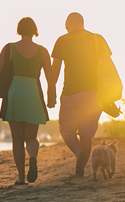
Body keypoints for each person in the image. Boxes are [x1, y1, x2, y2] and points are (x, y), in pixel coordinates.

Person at [48, 12, 113, 177]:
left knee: (66, 129)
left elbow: (54, 71)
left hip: (71, 93)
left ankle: (79, 155)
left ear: (69, 24)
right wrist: (109, 95)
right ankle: (82, 163)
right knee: (86, 133)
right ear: (82, 23)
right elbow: (108, 67)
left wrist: (51, 92)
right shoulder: (97, 39)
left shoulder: (62, 40)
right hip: (95, 94)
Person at [0, 17, 52, 185]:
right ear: (34, 30)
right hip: (33, 92)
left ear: (19, 30)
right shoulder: (42, 51)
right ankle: (33, 158)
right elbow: (50, 78)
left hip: (15, 92)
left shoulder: (9, 48)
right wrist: (52, 97)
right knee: (31, 137)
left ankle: (21, 177)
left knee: (17, 139)